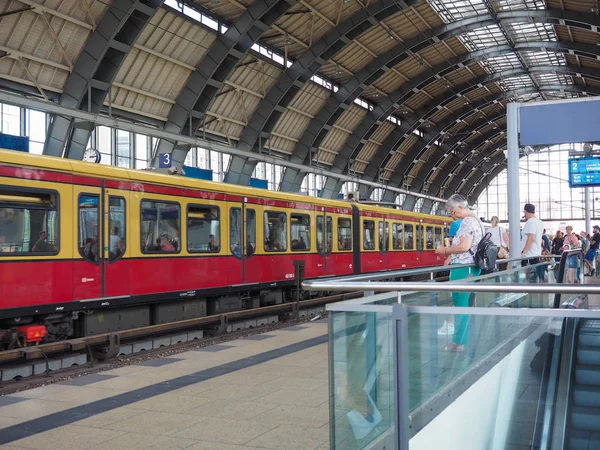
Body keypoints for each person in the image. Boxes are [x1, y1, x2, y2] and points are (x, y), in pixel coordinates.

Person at [436, 194, 483, 351]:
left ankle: (458, 343)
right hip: (469, 268)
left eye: (453, 211)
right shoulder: (476, 220)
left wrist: (445, 250)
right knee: (462, 305)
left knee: (460, 306)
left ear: (461, 207)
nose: (452, 215)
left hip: (464, 268)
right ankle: (459, 341)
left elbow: (464, 247)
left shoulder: (467, 222)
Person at [437, 218, 462, 337]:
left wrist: (446, 252)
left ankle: (451, 325)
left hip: (459, 266)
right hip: (471, 267)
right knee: (469, 296)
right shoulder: (474, 222)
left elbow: (461, 246)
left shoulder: (457, 224)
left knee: (458, 298)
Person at [520, 204, 544, 282]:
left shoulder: (530, 222)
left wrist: (523, 252)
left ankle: (525, 289)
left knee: (526, 276)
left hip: (529, 255)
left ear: (525, 212)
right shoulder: (539, 222)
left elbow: (531, 238)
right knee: (534, 274)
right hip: (536, 253)